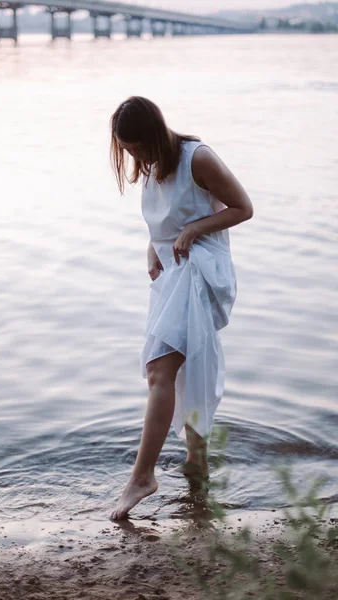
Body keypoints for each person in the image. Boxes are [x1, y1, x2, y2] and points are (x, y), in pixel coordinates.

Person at [109, 96, 253, 521]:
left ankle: (142, 476)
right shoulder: (151, 164)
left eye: (137, 147)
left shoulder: (197, 158)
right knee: (183, 375)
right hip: (172, 272)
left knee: (160, 370)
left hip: (201, 272)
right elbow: (165, 221)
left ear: (155, 134)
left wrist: (195, 229)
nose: (134, 156)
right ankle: (198, 466)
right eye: (127, 149)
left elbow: (243, 209)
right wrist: (151, 249)